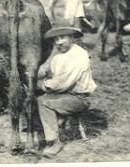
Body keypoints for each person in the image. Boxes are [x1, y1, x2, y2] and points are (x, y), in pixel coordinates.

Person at [37, 25, 97, 157]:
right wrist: (33, 72)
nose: (59, 42)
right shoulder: (59, 55)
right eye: (55, 39)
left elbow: (61, 83)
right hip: (63, 94)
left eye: (62, 37)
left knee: (43, 102)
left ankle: (54, 142)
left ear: (72, 38)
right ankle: (52, 126)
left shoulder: (78, 55)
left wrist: (40, 85)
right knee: (37, 98)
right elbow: (46, 69)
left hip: (78, 98)